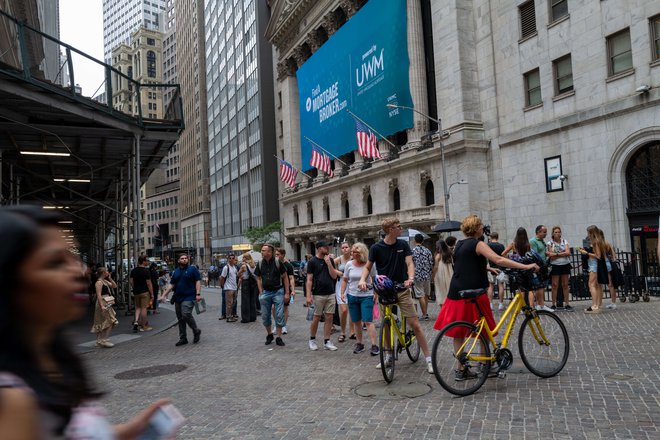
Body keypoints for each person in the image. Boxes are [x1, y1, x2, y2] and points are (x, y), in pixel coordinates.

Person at [0, 205, 170, 438]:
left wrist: (125, 432)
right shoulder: (11, 399)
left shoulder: (54, 358)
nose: (77, 269)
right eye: (54, 262)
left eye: (71, 256)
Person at [433, 215, 539, 380]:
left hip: (456, 293)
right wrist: (526, 265)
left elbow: (465, 264)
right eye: (481, 225)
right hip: (475, 291)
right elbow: (498, 259)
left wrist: (488, 270)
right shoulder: (478, 243)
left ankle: (460, 370)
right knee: (485, 330)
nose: (483, 227)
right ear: (476, 228)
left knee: (458, 332)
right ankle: (485, 366)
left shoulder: (459, 244)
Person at [358, 217, 434, 374]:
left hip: (402, 288)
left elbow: (410, 264)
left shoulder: (403, 244)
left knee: (415, 324)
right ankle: (388, 356)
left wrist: (410, 278)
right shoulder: (376, 248)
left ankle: (428, 359)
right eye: (398, 227)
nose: (401, 228)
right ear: (390, 230)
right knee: (386, 326)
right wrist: (361, 280)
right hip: (384, 290)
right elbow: (367, 267)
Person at [340, 242, 379, 355]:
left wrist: (375, 293)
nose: (352, 254)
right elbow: (345, 279)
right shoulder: (349, 264)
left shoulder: (369, 264)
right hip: (352, 295)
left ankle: (374, 345)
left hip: (366, 295)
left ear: (361, 253)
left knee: (367, 321)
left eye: (355, 252)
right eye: (352, 252)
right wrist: (342, 292)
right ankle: (359, 343)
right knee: (356, 321)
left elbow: (374, 278)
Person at [306, 240, 340, 351]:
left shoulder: (329, 260)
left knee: (329, 317)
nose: (328, 248)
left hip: (330, 292)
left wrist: (329, 264)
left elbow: (334, 276)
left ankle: (327, 341)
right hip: (318, 294)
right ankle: (312, 340)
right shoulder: (312, 262)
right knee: (316, 317)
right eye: (326, 247)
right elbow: (309, 279)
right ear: (320, 248)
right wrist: (308, 295)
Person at [162, 254, 203, 345]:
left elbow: (198, 281)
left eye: (185, 258)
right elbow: (171, 285)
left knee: (185, 314)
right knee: (180, 319)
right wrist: (164, 295)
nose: (184, 260)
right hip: (178, 297)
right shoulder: (175, 272)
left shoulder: (193, 269)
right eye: (182, 258)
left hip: (190, 296)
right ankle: (183, 338)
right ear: (178, 261)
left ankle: (196, 331)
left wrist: (198, 294)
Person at [255, 244, 290, 346]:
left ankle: (279, 337)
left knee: (279, 314)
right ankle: (269, 334)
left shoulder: (277, 262)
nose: (261, 252)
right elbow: (258, 277)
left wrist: (287, 293)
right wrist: (261, 291)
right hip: (265, 293)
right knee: (265, 316)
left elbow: (285, 277)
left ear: (269, 252)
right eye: (261, 250)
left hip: (278, 291)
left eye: (263, 250)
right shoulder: (260, 263)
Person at [546, 226, 574, 311]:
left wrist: (556, 254)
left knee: (565, 284)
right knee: (554, 285)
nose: (558, 234)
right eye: (556, 232)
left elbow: (568, 252)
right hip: (555, 265)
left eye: (559, 232)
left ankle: (567, 304)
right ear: (553, 234)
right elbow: (551, 255)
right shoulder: (550, 243)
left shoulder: (564, 241)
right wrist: (562, 253)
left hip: (565, 264)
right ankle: (553, 304)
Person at [91, 267, 118, 348]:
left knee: (103, 321)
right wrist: (102, 306)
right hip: (102, 302)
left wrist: (110, 278)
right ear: (103, 273)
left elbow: (114, 286)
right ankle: (103, 340)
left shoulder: (104, 281)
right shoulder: (99, 282)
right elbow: (99, 295)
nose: (108, 272)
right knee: (109, 321)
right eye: (106, 271)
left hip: (106, 302)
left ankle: (99, 340)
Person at [529, 225, 553, 312]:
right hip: (538, 266)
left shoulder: (542, 241)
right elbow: (534, 254)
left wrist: (547, 254)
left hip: (543, 266)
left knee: (542, 286)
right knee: (539, 286)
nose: (546, 234)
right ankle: (540, 305)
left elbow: (541, 252)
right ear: (538, 232)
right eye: (544, 232)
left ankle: (540, 304)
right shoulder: (533, 241)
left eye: (546, 232)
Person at [411, 233, 434, 321]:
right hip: (427, 275)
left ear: (414, 240)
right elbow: (431, 263)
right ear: (423, 241)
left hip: (417, 275)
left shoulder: (413, 251)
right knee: (426, 294)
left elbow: (411, 264)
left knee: (420, 294)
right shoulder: (427, 251)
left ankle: (425, 314)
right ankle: (425, 313)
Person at [129, 255, 154, 333]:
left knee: (137, 307)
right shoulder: (146, 271)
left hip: (136, 292)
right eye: (146, 261)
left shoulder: (133, 271)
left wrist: (134, 287)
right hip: (144, 292)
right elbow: (149, 284)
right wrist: (152, 294)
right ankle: (144, 326)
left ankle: (136, 321)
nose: (147, 262)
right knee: (144, 308)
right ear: (143, 261)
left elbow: (131, 281)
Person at [334, 242, 353, 342]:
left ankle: (352, 332)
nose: (344, 249)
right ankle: (342, 332)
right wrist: (338, 273)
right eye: (342, 248)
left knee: (352, 309)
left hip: (352, 284)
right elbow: (329, 267)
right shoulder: (339, 259)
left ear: (350, 248)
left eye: (346, 247)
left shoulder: (354, 258)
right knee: (344, 310)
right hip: (340, 284)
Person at [276, 248, 296, 334]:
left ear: (283, 255)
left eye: (277, 254)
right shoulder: (274, 264)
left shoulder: (288, 265)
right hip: (276, 288)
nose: (276, 256)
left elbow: (291, 278)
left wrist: (293, 290)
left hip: (285, 288)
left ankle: (283, 325)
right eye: (275, 254)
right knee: (274, 308)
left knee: (284, 307)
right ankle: (277, 325)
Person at [486, 232, 506, 311]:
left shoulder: (488, 245)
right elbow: (503, 256)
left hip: (491, 268)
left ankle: (491, 304)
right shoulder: (501, 246)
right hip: (500, 268)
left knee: (491, 286)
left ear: (491, 237)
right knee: (501, 285)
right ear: (497, 237)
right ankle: (500, 304)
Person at [431, 239, 454, 309]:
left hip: (440, 275)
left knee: (441, 293)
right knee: (448, 292)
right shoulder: (449, 254)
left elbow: (436, 267)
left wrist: (433, 276)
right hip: (449, 275)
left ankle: (443, 311)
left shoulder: (438, 256)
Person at [237, 252, 258, 323]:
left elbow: (238, 274)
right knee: (252, 300)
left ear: (245, 258)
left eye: (243, 257)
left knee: (245, 301)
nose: (242, 258)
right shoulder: (254, 265)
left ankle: (246, 318)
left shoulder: (244, 266)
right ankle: (253, 317)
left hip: (245, 283)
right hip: (253, 283)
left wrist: (240, 275)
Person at [220, 254, 239, 322]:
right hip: (228, 288)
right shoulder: (226, 267)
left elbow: (236, 276)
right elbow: (222, 277)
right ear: (228, 259)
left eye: (233, 258)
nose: (231, 259)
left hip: (234, 288)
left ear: (234, 259)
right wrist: (223, 286)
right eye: (230, 258)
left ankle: (231, 315)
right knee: (229, 303)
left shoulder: (235, 267)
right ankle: (228, 317)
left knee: (233, 303)